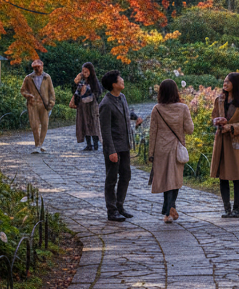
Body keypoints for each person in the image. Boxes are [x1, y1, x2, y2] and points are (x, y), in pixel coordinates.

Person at [99, 70, 143, 222]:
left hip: (125, 145)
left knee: (126, 175)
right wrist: (111, 150)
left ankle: (120, 205)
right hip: (113, 147)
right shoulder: (105, 104)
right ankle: (111, 210)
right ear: (114, 84)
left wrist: (136, 117)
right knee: (111, 178)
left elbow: (126, 113)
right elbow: (105, 130)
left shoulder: (122, 97)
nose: (122, 80)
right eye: (120, 79)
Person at [209, 71, 239, 218]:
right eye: (224, 81)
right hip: (222, 140)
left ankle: (237, 209)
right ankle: (226, 208)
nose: (225, 83)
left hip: (236, 142)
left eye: (228, 81)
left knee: (237, 175)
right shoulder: (219, 99)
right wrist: (216, 121)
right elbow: (214, 115)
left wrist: (231, 127)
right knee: (223, 176)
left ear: (235, 83)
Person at [148, 79, 193, 223]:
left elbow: (153, 132)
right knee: (174, 180)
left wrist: (150, 153)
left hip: (161, 149)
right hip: (176, 149)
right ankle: (169, 209)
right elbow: (190, 129)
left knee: (166, 180)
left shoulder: (157, 109)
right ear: (176, 91)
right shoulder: (183, 108)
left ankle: (168, 211)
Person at [20, 59, 55, 154]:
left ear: (42, 66)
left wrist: (51, 103)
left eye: (38, 67)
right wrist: (28, 95)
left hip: (44, 104)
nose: (36, 69)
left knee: (44, 124)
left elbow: (51, 91)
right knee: (34, 125)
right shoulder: (28, 78)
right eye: (34, 68)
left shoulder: (47, 77)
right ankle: (37, 145)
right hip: (32, 104)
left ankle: (40, 144)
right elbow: (23, 90)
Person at [73, 62, 102, 151]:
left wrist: (90, 95)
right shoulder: (81, 81)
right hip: (82, 106)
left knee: (93, 124)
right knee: (84, 124)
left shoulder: (94, 81)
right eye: (83, 71)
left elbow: (98, 92)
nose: (84, 73)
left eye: (86, 71)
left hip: (92, 106)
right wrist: (76, 83)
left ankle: (96, 144)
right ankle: (89, 144)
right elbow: (75, 92)